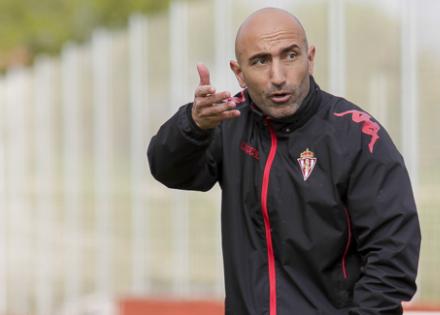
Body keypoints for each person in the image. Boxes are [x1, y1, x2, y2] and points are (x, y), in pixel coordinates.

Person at [147, 7, 420, 315]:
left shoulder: (359, 136)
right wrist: (192, 125)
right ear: (239, 73)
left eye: (289, 55)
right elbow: (167, 170)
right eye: (261, 61)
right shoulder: (227, 121)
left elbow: (393, 258)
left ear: (310, 58)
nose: (278, 76)